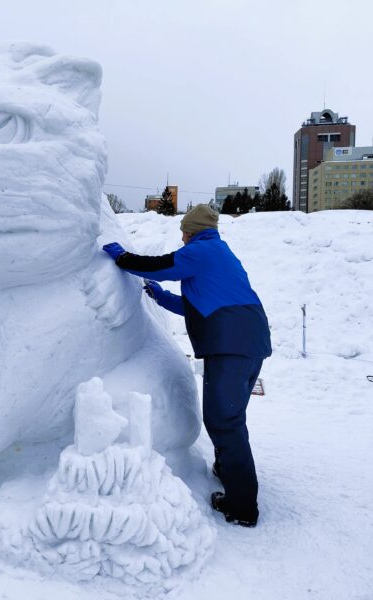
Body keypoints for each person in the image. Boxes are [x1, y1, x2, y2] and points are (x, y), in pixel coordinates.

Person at [103, 204, 271, 527]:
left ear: (193, 232)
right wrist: (160, 297)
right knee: (229, 416)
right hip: (249, 341)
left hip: (231, 345)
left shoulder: (201, 250)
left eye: (184, 232)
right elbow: (198, 305)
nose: (182, 238)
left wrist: (123, 259)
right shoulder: (219, 253)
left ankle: (241, 506)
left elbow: (162, 265)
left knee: (224, 420)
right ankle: (228, 469)